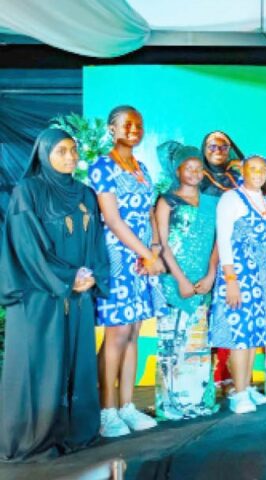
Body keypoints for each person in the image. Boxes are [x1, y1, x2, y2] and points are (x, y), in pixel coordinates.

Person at [0, 129, 109, 461]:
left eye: (73, 150)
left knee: (77, 362)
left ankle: (76, 433)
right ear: (43, 154)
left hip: (78, 295)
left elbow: (97, 242)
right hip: (39, 294)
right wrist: (66, 278)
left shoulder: (85, 193)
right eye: (61, 151)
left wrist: (93, 275)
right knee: (39, 366)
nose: (70, 157)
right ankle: (32, 440)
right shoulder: (28, 191)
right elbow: (26, 246)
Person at [90, 105, 161, 437]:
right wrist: (146, 254)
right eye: (127, 124)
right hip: (117, 258)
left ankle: (127, 406)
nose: (134, 129)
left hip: (142, 261)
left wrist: (154, 249)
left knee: (133, 331)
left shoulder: (141, 168)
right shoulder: (102, 166)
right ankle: (106, 412)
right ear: (112, 129)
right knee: (116, 333)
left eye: (139, 124)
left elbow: (149, 213)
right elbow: (113, 219)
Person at [153, 142, 219, 420]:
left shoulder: (212, 203)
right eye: (187, 168)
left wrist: (211, 274)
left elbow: (217, 242)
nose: (194, 172)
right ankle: (171, 404)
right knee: (172, 343)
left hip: (202, 282)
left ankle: (196, 400)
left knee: (196, 343)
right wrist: (180, 279)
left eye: (198, 167)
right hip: (174, 281)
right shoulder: (166, 201)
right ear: (178, 171)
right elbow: (162, 244)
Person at [209, 155, 266, 414]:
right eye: (253, 169)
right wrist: (231, 279)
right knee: (239, 334)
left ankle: (246, 386)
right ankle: (237, 393)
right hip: (238, 272)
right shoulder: (231, 198)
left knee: (253, 333)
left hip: (260, 275)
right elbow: (224, 240)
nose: (258, 173)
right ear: (244, 172)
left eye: (262, 169)